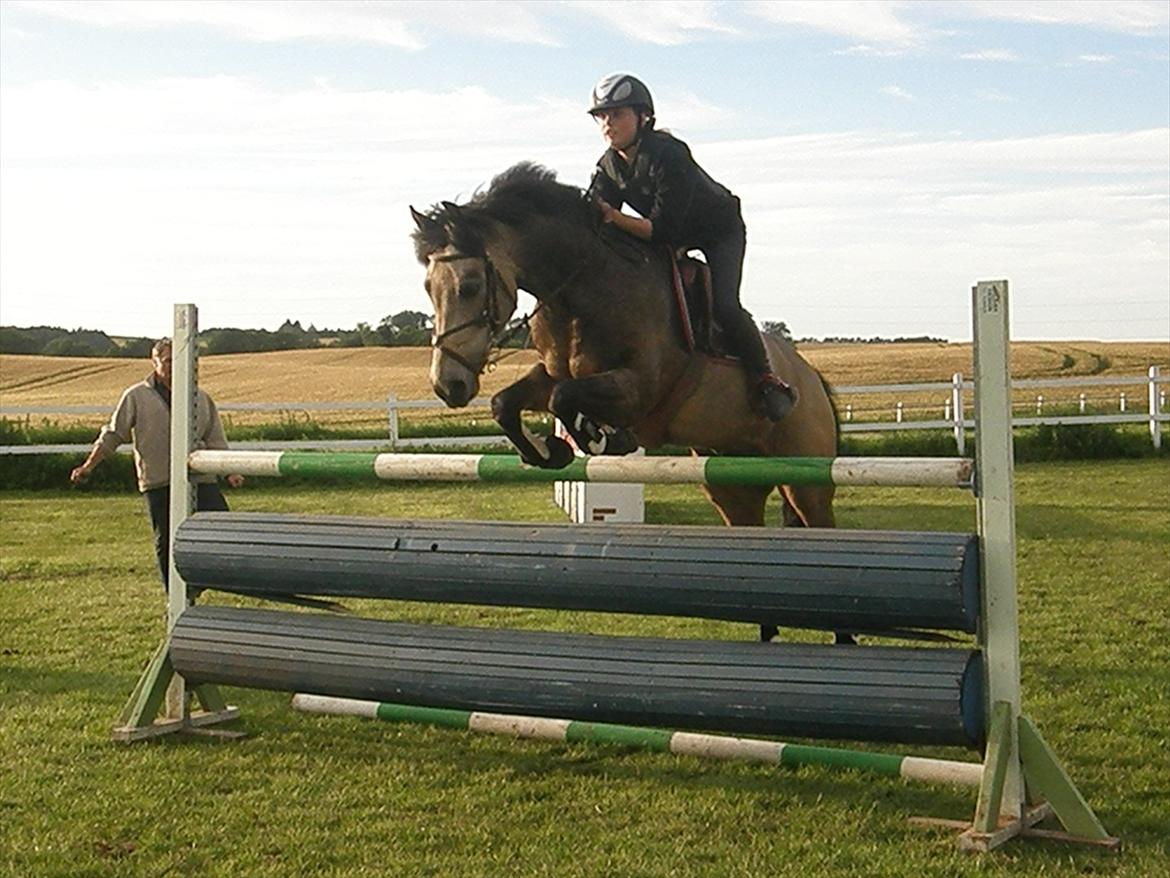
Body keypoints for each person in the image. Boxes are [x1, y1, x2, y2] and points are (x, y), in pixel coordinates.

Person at [585, 72, 796, 421]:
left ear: (643, 118)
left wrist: (614, 218)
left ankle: (765, 377)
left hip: (719, 230)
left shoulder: (669, 154)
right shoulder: (608, 166)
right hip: (672, 234)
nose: (608, 124)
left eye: (617, 114)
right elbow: (597, 223)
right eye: (602, 116)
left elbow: (659, 229)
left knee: (726, 306)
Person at [70, 337, 243, 590]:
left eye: (180, 361)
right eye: (168, 361)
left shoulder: (201, 399)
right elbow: (113, 434)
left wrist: (231, 471)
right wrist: (89, 466)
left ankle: (209, 580)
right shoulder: (136, 396)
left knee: (221, 529)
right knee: (166, 541)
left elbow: (215, 438)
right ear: (155, 363)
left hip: (200, 479)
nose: (174, 366)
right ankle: (174, 594)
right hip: (159, 480)